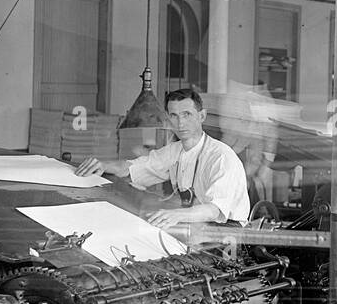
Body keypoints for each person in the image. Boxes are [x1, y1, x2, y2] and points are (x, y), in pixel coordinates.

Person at [75, 87, 250, 227]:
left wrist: (175, 215)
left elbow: (214, 210)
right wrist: (104, 165)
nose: (180, 123)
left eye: (187, 114)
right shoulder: (175, 150)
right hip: (196, 226)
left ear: (202, 116)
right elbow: (135, 168)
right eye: (174, 116)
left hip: (227, 232)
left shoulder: (221, 157)